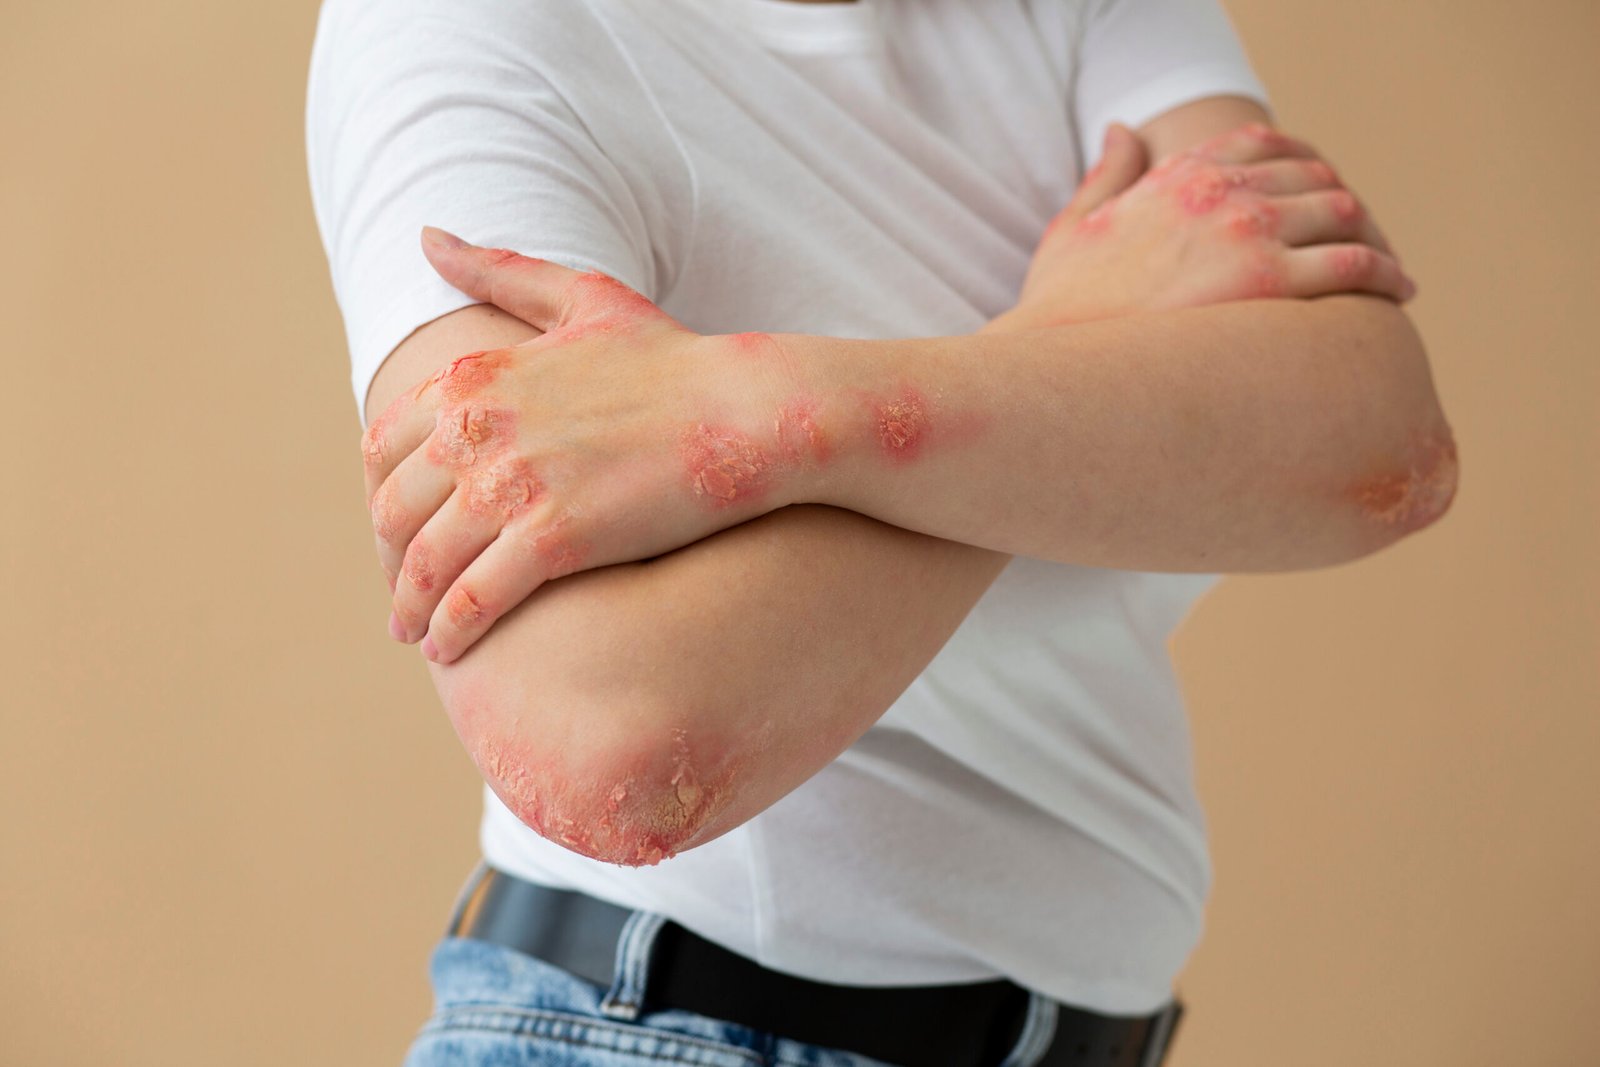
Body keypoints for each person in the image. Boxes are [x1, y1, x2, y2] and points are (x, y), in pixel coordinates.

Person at [305, 0, 1453, 1064]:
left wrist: (769, 411)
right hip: (675, 1030)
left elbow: (1374, 441)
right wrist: (1074, 329)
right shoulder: (475, 27)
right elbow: (608, 745)